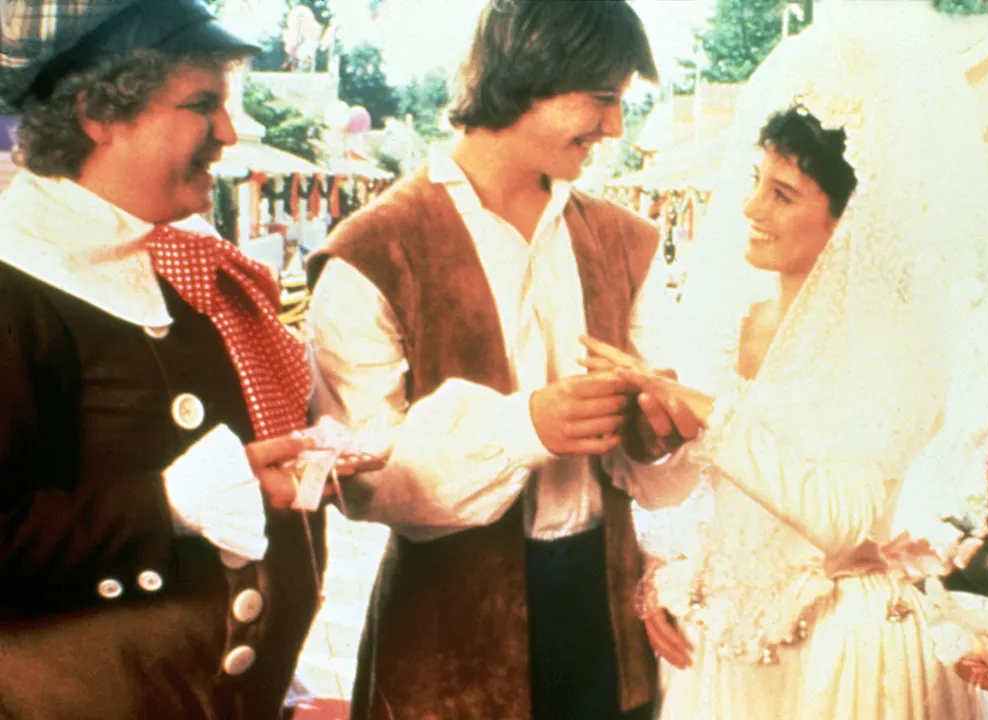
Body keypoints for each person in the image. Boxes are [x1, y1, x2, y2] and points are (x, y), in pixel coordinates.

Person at [608, 9, 988, 718]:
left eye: (782, 194)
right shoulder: (736, 325)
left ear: (850, 221)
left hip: (839, 651)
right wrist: (663, 550)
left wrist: (712, 417)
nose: (751, 208)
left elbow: (844, 519)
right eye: (756, 181)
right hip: (724, 647)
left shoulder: (894, 343)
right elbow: (697, 493)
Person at [306, 1, 687, 718]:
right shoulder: (373, 251)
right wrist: (523, 430)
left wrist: (658, 432)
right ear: (531, 73)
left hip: (608, 625)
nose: (615, 127)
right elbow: (359, 475)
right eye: (601, 98)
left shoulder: (626, 242)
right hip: (446, 641)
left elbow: (660, 468)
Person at [0, 0, 363, 716]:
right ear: (97, 115)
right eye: (203, 105)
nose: (228, 131)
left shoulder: (179, 263)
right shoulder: (17, 282)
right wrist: (165, 505)